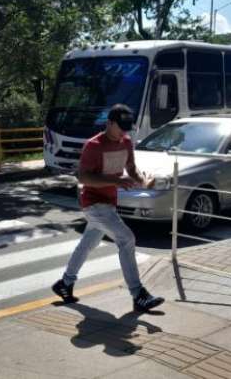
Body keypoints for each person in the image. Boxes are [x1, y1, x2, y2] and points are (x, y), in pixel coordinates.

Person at [52, 104, 165, 313]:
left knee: (87, 244)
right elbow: (84, 177)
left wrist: (143, 181)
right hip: (93, 204)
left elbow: (131, 169)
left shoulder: (127, 142)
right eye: (120, 127)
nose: (124, 131)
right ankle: (138, 294)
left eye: (127, 127)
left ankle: (65, 284)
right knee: (127, 239)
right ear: (109, 123)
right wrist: (115, 180)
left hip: (109, 204)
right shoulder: (93, 146)